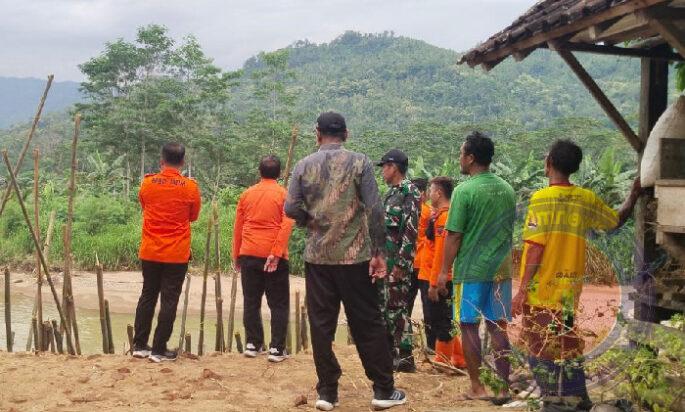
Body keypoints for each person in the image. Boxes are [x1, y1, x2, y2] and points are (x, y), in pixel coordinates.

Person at [285, 112, 407, 411]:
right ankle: (382, 389)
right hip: (355, 257)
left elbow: (290, 207)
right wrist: (379, 252)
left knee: (321, 324)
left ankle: (327, 391)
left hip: (318, 258)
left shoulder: (303, 165)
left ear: (318, 134)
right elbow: (375, 209)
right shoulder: (360, 162)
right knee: (367, 321)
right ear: (346, 134)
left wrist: (308, 221)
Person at [511, 140, 641, 411]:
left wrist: (521, 290)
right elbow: (617, 220)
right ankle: (579, 400)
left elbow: (534, 249)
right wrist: (634, 193)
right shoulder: (585, 199)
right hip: (569, 295)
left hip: (543, 293)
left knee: (539, 350)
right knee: (567, 348)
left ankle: (555, 403)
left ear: (549, 165)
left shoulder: (541, 200)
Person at [436, 132, 516, 403]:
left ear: (470, 158)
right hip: (501, 270)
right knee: (498, 327)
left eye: (461, 153)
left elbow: (454, 235)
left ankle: (477, 387)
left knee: (468, 326)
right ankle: (504, 387)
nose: (460, 158)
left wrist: (443, 272)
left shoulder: (464, 191)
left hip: (471, 270)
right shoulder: (507, 189)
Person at [133, 142, 201, 363]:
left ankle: (139, 345)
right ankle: (159, 349)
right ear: (182, 162)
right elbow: (193, 217)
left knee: (148, 295)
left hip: (150, 250)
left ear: (161, 160)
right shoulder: (190, 187)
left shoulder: (147, 183)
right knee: (169, 299)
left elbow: (144, 206)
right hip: (176, 253)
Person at [233, 155, 294, 363]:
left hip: (248, 252)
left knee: (251, 300)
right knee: (278, 304)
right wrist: (276, 253)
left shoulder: (247, 194)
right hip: (273, 256)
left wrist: (237, 255)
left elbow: (238, 227)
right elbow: (286, 226)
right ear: (280, 174)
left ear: (259, 172)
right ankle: (276, 348)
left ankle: (253, 343)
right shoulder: (284, 195)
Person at [377, 149, 420, 373]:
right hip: (385, 263)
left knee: (398, 310)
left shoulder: (409, 191)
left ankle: (404, 358)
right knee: (386, 309)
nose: (383, 171)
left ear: (393, 167)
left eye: (384, 166)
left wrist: (403, 264)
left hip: (397, 264)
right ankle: (391, 355)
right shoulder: (391, 193)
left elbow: (411, 231)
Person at [425, 176, 466, 368]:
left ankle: (443, 360)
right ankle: (458, 357)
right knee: (444, 317)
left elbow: (441, 253)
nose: (429, 194)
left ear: (438, 193)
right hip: (440, 275)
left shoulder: (444, 217)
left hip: (441, 278)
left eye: (431, 190)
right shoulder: (440, 214)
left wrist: (434, 283)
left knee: (441, 319)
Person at [407, 178, 434, 351]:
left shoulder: (408, 211)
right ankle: (431, 345)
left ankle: (406, 341)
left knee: (406, 305)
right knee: (428, 306)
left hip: (410, 263)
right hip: (423, 264)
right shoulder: (429, 212)